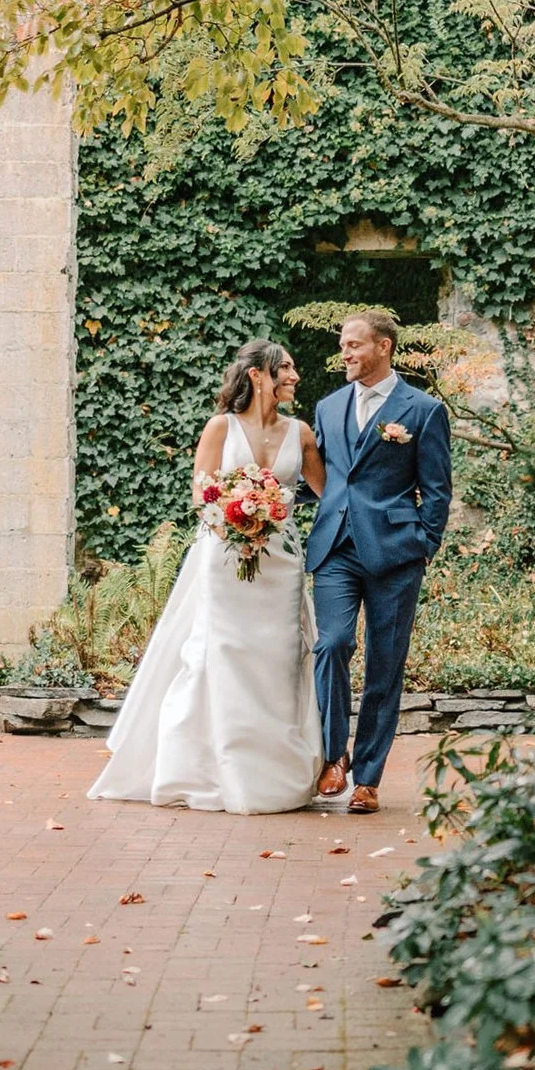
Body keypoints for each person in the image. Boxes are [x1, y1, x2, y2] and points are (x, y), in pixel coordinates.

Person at [88, 340, 330, 813]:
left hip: (279, 561)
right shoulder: (221, 426)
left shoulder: (300, 432)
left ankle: (273, 769)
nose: (295, 377)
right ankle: (212, 767)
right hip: (223, 556)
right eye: (287, 368)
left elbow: (327, 491)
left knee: (277, 656)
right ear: (259, 375)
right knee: (221, 654)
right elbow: (202, 493)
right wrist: (237, 516)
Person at [306, 310, 452, 815]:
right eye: (343, 346)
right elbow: (317, 479)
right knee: (331, 644)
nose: (344, 354)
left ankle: (367, 778)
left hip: (395, 554)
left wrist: (423, 544)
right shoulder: (326, 408)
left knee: (384, 667)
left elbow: (436, 490)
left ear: (383, 347)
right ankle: (333, 758)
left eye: (353, 345)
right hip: (335, 550)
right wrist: (258, 498)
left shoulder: (424, 409)